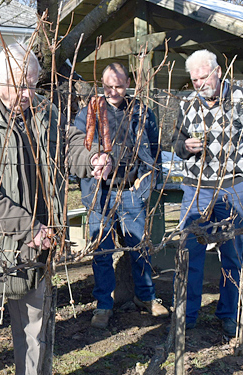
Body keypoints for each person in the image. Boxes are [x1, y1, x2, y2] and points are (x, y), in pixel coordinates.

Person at [0, 43, 107, 375]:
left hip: (36, 246)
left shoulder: (43, 111)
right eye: (20, 84)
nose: (27, 93)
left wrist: (89, 159)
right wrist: (29, 228)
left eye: (33, 84)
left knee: (35, 331)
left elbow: (69, 142)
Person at [174, 49, 243, 336]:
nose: (200, 84)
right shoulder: (188, 103)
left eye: (204, 77)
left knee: (231, 256)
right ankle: (187, 315)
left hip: (233, 190)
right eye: (194, 80)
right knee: (189, 254)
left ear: (218, 72)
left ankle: (228, 313)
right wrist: (185, 147)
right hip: (195, 190)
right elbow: (176, 142)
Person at [74, 63, 168, 328]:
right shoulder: (87, 114)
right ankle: (103, 305)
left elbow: (155, 149)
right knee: (101, 251)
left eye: (119, 86)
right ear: (101, 84)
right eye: (107, 86)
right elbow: (75, 150)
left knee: (139, 248)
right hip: (98, 193)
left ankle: (146, 297)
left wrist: (147, 181)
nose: (113, 91)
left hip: (130, 191)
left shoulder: (141, 112)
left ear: (128, 83)